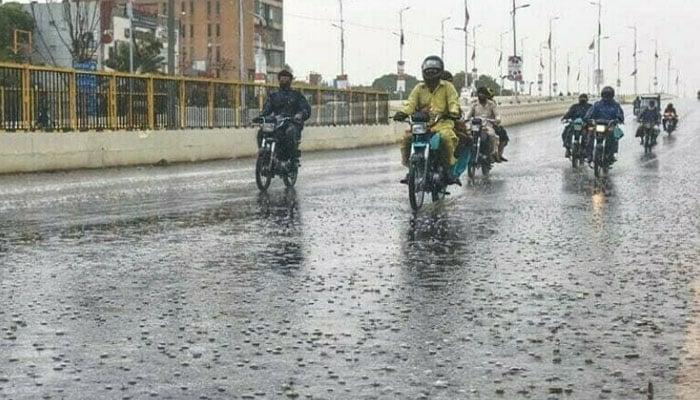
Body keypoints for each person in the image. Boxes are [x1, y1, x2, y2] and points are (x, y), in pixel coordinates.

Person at [394, 56, 462, 186]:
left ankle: (447, 170)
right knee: (407, 139)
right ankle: (411, 170)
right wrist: (403, 113)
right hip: (421, 125)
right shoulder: (419, 88)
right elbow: (410, 103)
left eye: (434, 71)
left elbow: (453, 102)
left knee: (447, 138)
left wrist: (453, 112)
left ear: (440, 72)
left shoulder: (448, 87)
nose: (430, 74)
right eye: (428, 71)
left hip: (442, 123)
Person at [256, 68, 311, 164]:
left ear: (290, 80)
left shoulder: (296, 95)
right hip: (277, 123)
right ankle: (264, 153)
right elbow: (267, 109)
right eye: (282, 78)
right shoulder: (274, 96)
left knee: (290, 132)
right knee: (261, 132)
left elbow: (305, 108)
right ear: (279, 80)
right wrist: (261, 117)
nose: (284, 80)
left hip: (292, 122)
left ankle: (290, 158)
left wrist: (300, 114)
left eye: (286, 78)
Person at [584, 86, 624, 164]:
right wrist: (587, 119)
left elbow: (620, 114)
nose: (607, 97)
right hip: (597, 125)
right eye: (605, 95)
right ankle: (589, 155)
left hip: (610, 125)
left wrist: (619, 119)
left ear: (612, 95)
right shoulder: (597, 104)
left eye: (608, 95)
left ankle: (612, 154)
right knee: (590, 135)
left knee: (614, 137)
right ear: (602, 95)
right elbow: (590, 113)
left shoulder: (615, 105)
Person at [465, 86, 504, 162]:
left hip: (487, 126)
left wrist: (497, 119)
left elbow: (497, 114)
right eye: (480, 94)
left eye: (483, 94)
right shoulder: (474, 104)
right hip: (475, 126)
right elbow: (468, 114)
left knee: (492, 135)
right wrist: (466, 118)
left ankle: (493, 153)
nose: (481, 95)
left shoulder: (491, 104)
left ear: (486, 95)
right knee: (466, 136)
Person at [561, 93, 592, 158]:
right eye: (581, 98)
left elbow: (593, 115)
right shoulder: (574, 106)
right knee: (565, 133)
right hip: (574, 125)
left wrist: (591, 121)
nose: (582, 99)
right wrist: (564, 118)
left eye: (584, 98)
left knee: (588, 135)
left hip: (585, 125)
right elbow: (568, 114)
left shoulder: (590, 107)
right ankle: (568, 148)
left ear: (587, 99)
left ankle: (585, 149)